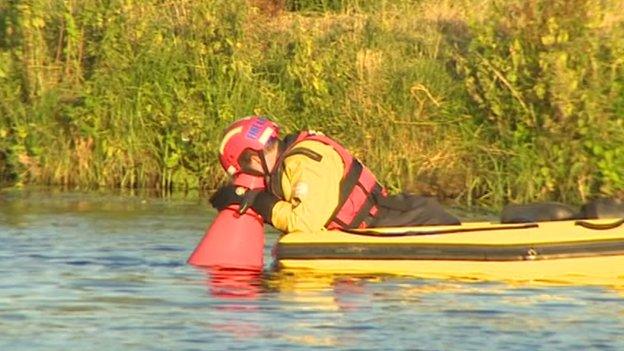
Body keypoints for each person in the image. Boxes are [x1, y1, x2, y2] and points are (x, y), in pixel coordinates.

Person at [210, 116, 460, 233]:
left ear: (252, 158)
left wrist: (257, 200)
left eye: (245, 171)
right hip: (394, 217)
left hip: (405, 222)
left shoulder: (302, 162)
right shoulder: (292, 160)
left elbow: (304, 224)